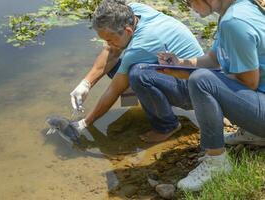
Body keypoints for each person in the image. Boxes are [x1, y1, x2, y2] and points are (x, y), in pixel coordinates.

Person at [157, 0, 265, 191]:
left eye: (188, 1)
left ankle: (216, 163)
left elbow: (249, 82)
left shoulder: (234, 21)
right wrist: (180, 63)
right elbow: (214, 59)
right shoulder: (235, 10)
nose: (188, 6)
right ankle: (254, 133)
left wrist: (195, 77)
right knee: (203, 78)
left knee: (201, 81)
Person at [70, 0, 204, 142]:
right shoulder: (132, 11)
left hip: (193, 91)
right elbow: (110, 53)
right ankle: (139, 107)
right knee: (119, 68)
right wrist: (85, 84)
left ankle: (166, 126)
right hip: (180, 75)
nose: (108, 44)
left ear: (128, 31)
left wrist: (86, 122)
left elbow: (113, 90)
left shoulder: (141, 45)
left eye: (110, 39)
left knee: (137, 74)